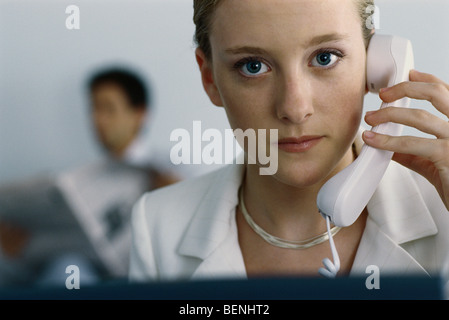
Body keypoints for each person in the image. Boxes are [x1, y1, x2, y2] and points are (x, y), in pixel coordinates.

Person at [128, 0, 449, 282]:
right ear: (210, 78)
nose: (295, 109)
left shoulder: (443, 211)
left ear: (375, 67)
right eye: (253, 66)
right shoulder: (156, 225)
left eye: (325, 57)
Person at [0, 67, 179, 287]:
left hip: (145, 274)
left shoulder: (172, 170)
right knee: (65, 267)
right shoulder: (75, 180)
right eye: (94, 109)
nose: (98, 120)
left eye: (108, 109)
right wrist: (15, 253)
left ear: (139, 113)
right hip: (86, 273)